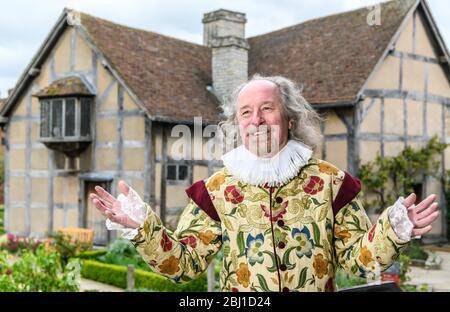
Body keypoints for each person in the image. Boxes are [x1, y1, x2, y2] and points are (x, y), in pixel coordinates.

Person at [90, 75, 439, 292]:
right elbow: (183, 266)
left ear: (288, 119)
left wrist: (393, 230)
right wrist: (142, 228)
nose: (256, 120)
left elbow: (359, 262)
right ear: (237, 124)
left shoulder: (330, 182)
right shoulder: (216, 190)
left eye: (267, 109)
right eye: (245, 112)